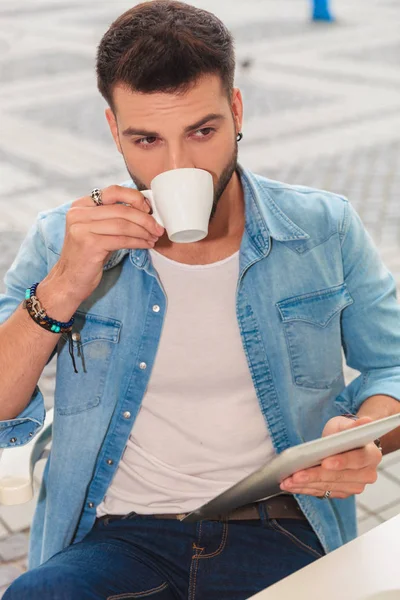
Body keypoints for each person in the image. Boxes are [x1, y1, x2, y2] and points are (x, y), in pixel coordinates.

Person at [2, 1, 400, 598]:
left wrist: (366, 437)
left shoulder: (323, 227)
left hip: (281, 525)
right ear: (113, 130)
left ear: (237, 111)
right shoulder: (64, 239)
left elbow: (391, 365)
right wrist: (61, 288)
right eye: (146, 139)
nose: (178, 164)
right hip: (116, 537)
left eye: (202, 131)